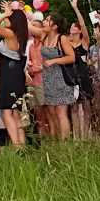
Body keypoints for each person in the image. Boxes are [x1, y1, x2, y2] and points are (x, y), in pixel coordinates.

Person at [0, 0, 29, 148]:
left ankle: (16, 145)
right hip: (15, 74)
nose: (5, 19)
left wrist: (5, 14)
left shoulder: (11, 34)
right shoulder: (20, 35)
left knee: (6, 112)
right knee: (15, 113)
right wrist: (10, 10)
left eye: (8, 18)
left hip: (8, 75)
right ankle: (22, 144)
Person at [38, 8, 78, 139]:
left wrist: (53, 61)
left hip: (60, 78)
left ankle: (65, 142)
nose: (44, 22)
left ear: (54, 26)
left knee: (61, 112)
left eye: (47, 20)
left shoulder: (62, 38)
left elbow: (71, 57)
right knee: (51, 112)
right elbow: (27, 26)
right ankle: (55, 141)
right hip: (48, 78)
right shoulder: (44, 36)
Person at [68, 0, 94, 138]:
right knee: (73, 107)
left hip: (83, 76)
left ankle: (86, 135)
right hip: (71, 77)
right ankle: (77, 136)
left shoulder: (84, 43)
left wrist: (75, 8)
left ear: (78, 30)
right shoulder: (67, 43)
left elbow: (84, 26)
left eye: (73, 26)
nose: (71, 28)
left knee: (86, 105)